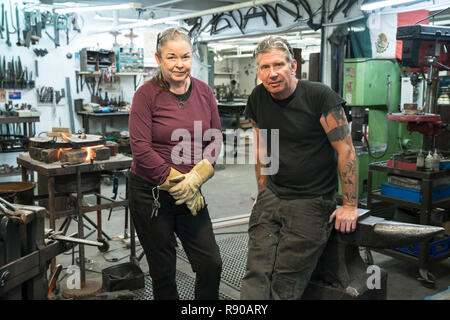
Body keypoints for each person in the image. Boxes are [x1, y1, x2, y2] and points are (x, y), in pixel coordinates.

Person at [240, 36, 358, 300]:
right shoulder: (258, 97)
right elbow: (262, 149)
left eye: (278, 65)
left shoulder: (320, 97)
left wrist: (349, 205)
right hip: (273, 195)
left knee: (285, 281)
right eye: (265, 67)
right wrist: (263, 193)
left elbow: (346, 150)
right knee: (255, 272)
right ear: (258, 71)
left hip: (311, 200)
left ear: (293, 65)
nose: (272, 73)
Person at [128, 27, 223, 300]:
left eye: (185, 56)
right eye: (172, 57)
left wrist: (197, 178)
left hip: (191, 191)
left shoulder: (204, 92)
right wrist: (178, 182)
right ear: (159, 59)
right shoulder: (146, 94)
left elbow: (215, 138)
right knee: (163, 271)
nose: (180, 64)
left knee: (211, 264)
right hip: (151, 194)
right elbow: (140, 148)